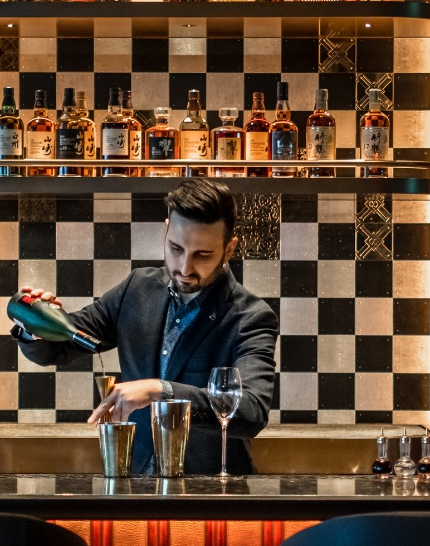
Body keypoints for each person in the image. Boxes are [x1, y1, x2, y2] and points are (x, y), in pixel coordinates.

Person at [15, 178, 278, 475]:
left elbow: (251, 412)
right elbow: (58, 347)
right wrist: (35, 325)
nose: (185, 267)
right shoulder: (136, 289)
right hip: (138, 483)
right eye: (176, 247)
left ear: (229, 249)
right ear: (166, 230)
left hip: (209, 490)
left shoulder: (250, 317)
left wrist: (160, 391)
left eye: (202, 255)